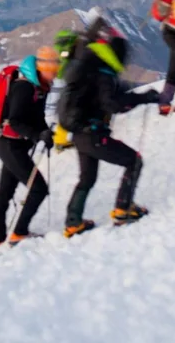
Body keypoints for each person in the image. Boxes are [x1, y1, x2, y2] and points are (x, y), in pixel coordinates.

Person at [59, 31, 159, 238]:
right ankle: (123, 208)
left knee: (86, 178)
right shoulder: (103, 73)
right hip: (93, 134)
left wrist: (138, 97)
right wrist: (143, 99)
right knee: (134, 161)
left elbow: (109, 98)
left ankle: (73, 222)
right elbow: (113, 104)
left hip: (80, 134)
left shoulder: (89, 71)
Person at [0, 50, 58, 250]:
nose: (55, 74)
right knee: (38, 189)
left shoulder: (38, 87)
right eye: (52, 70)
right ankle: (19, 232)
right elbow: (15, 121)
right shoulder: (24, 87)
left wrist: (44, 133)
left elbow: (36, 117)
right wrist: (37, 135)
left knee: (5, 192)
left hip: (12, 145)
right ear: (42, 69)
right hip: (11, 146)